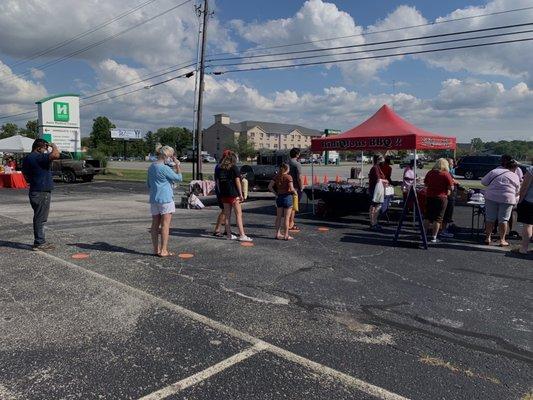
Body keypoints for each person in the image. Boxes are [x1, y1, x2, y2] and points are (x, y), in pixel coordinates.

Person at [21, 139, 60, 250]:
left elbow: (25, 174)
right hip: (42, 192)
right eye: (45, 148)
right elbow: (56, 155)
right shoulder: (38, 157)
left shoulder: (28, 158)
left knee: (38, 216)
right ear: (39, 148)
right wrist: (54, 146)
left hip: (34, 190)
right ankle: (39, 242)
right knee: (40, 218)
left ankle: (39, 241)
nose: (46, 150)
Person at [147, 145, 183, 257]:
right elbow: (179, 178)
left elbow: (148, 184)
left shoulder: (151, 166)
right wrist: (177, 165)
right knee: (165, 225)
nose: (172, 158)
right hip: (166, 199)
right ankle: (163, 250)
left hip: (154, 198)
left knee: (154, 225)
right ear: (167, 156)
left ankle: (155, 249)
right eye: (171, 156)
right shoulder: (165, 168)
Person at [481, 158, 520, 246]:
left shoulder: (494, 171)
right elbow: (518, 190)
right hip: (507, 198)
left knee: (490, 218)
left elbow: (483, 182)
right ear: (515, 168)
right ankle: (502, 240)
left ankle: (488, 237)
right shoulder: (515, 176)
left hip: (491, 197)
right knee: (503, 219)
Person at [215, 152, 252, 242]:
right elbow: (237, 182)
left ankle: (229, 235)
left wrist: (220, 193)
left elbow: (218, 182)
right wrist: (241, 194)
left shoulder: (220, 169)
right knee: (238, 215)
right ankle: (242, 235)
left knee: (227, 216)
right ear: (233, 159)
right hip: (233, 194)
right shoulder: (234, 168)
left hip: (224, 194)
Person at [423, 158, 454, 243]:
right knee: (438, 218)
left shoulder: (430, 173)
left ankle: (424, 234)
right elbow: (451, 187)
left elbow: (425, 183)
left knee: (427, 217)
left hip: (430, 196)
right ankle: (434, 237)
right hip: (441, 198)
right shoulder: (445, 174)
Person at [268, 163, 297, 240]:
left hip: (279, 197)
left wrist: (275, 193)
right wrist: (295, 192)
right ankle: (286, 235)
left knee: (278, 217)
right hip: (287, 197)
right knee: (286, 218)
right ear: (287, 169)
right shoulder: (288, 177)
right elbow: (291, 188)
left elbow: (270, 186)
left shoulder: (276, 176)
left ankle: (277, 234)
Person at [213, 150, 232, 237]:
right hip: (221, 191)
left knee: (227, 211)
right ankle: (217, 229)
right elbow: (217, 181)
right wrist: (220, 192)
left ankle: (226, 229)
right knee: (224, 210)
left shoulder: (225, 166)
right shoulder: (219, 167)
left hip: (226, 191)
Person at [368, 154, 388, 230]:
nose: (383, 161)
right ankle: (373, 223)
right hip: (375, 190)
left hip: (376, 189)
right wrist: (385, 180)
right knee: (374, 206)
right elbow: (378, 179)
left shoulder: (377, 167)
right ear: (378, 160)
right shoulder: (375, 168)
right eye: (382, 159)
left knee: (376, 206)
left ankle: (374, 222)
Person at [517, 165, 533, 254]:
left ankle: (524, 248)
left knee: (528, 225)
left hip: (530, 201)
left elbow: (525, 186)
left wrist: (520, 200)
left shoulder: (531, 169)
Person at [441, 158, 458, 238]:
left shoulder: (447, 173)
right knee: (446, 215)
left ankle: (441, 229)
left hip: (448, 196)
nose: (453, 165)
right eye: (451, 164)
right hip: (448, 197)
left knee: (444, 215)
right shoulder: (446, 173)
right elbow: (451, 186)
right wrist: (454, 182)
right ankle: (443, 230)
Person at [288, 147, 303, 231]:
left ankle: (289, 222)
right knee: (294, 207)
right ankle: (291, 223)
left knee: (288, 207)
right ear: (297, 154)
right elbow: (299, 178)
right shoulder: (297, 164)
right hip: (295, 188)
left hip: (287, 187)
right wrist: (301, 187)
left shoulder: (286, 163)